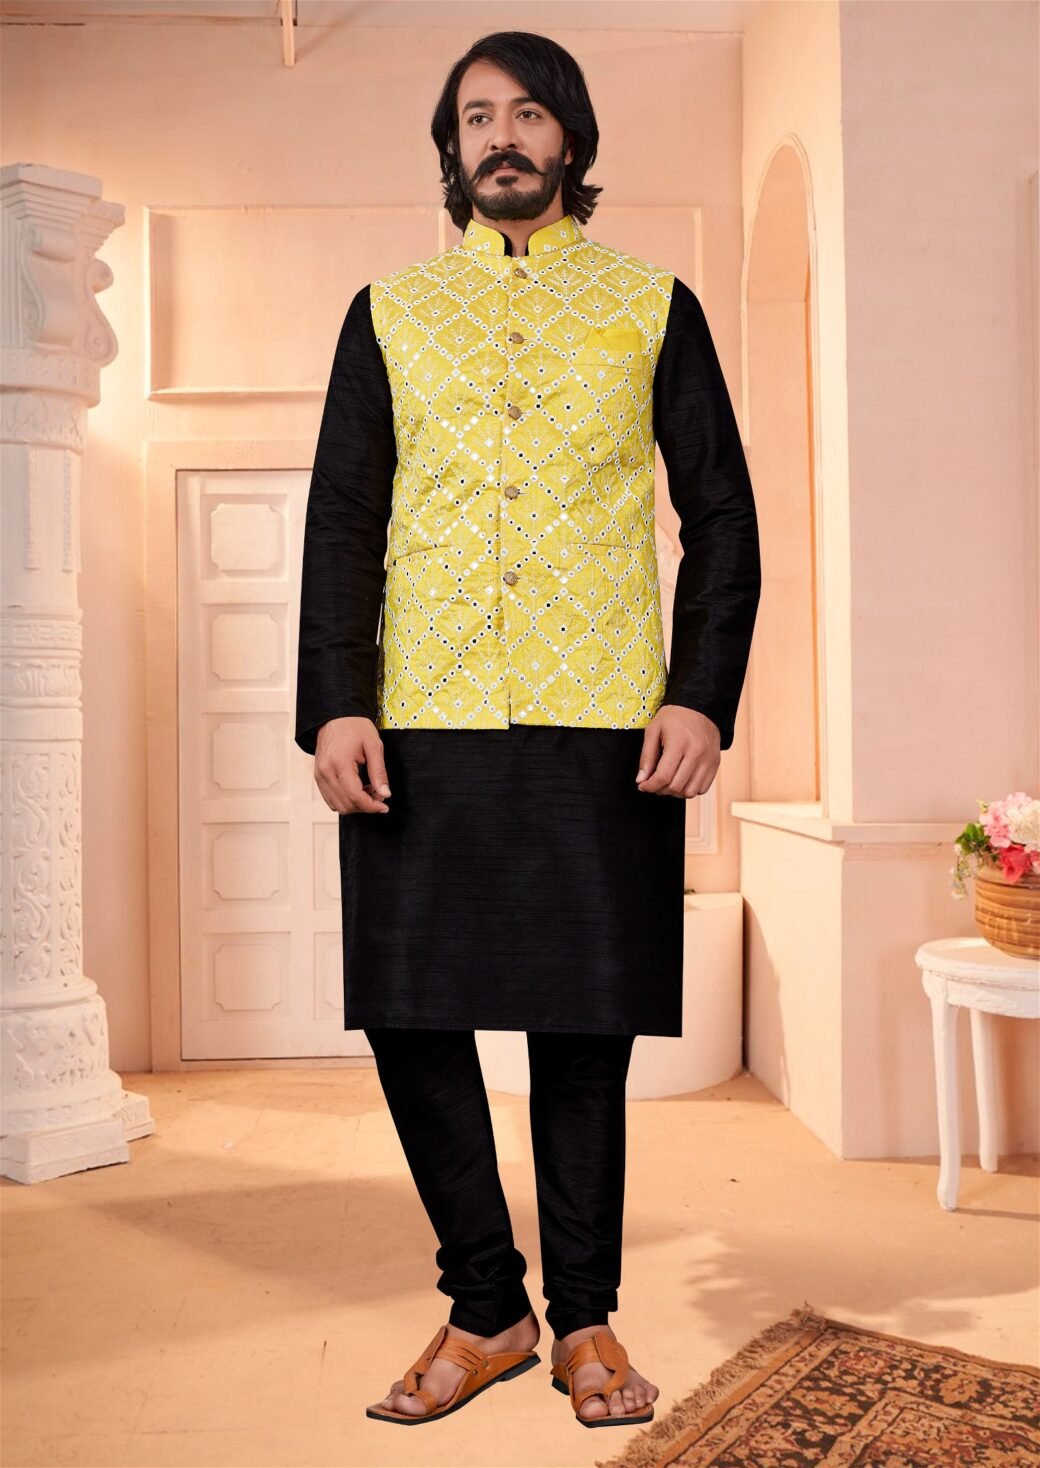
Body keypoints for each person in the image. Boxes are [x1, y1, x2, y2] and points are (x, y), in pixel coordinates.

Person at [294, 29, 761, 1430]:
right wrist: (338, 699)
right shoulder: (388, 313)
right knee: (409, 1013)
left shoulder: (654, 305)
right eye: (477, 117)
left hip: (600, 719)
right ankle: (488, 1306)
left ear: (572, 139)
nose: (503, 136)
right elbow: (344, 521)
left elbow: (721, 515)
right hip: (420, 719)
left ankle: (589, 1321)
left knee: (584, 1025)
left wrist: (700, 691)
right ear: (454, 149)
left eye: (529, 114)